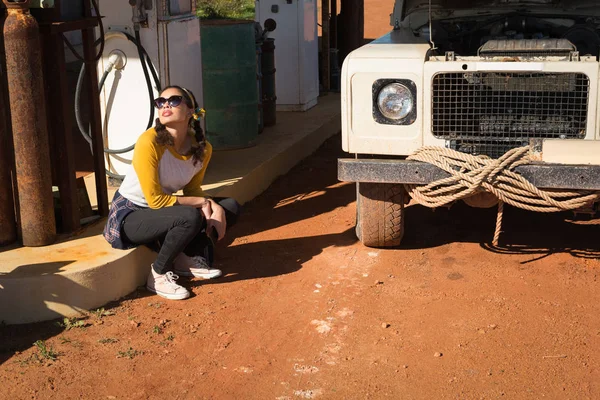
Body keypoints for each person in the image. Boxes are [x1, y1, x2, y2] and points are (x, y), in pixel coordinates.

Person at [103, 86, 240, 300]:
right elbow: (156, 201)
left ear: (190, 111)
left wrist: (213, 205)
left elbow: (192, 190)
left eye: (174, 100)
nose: (165, 105)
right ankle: (157, 275)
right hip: (130, 215)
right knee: (190, 215)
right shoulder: (149, 142)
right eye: (160, 102)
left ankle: (184, 258)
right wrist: (205, 203)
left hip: (164, 213)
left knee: (229, 206)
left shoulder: (203, 148)